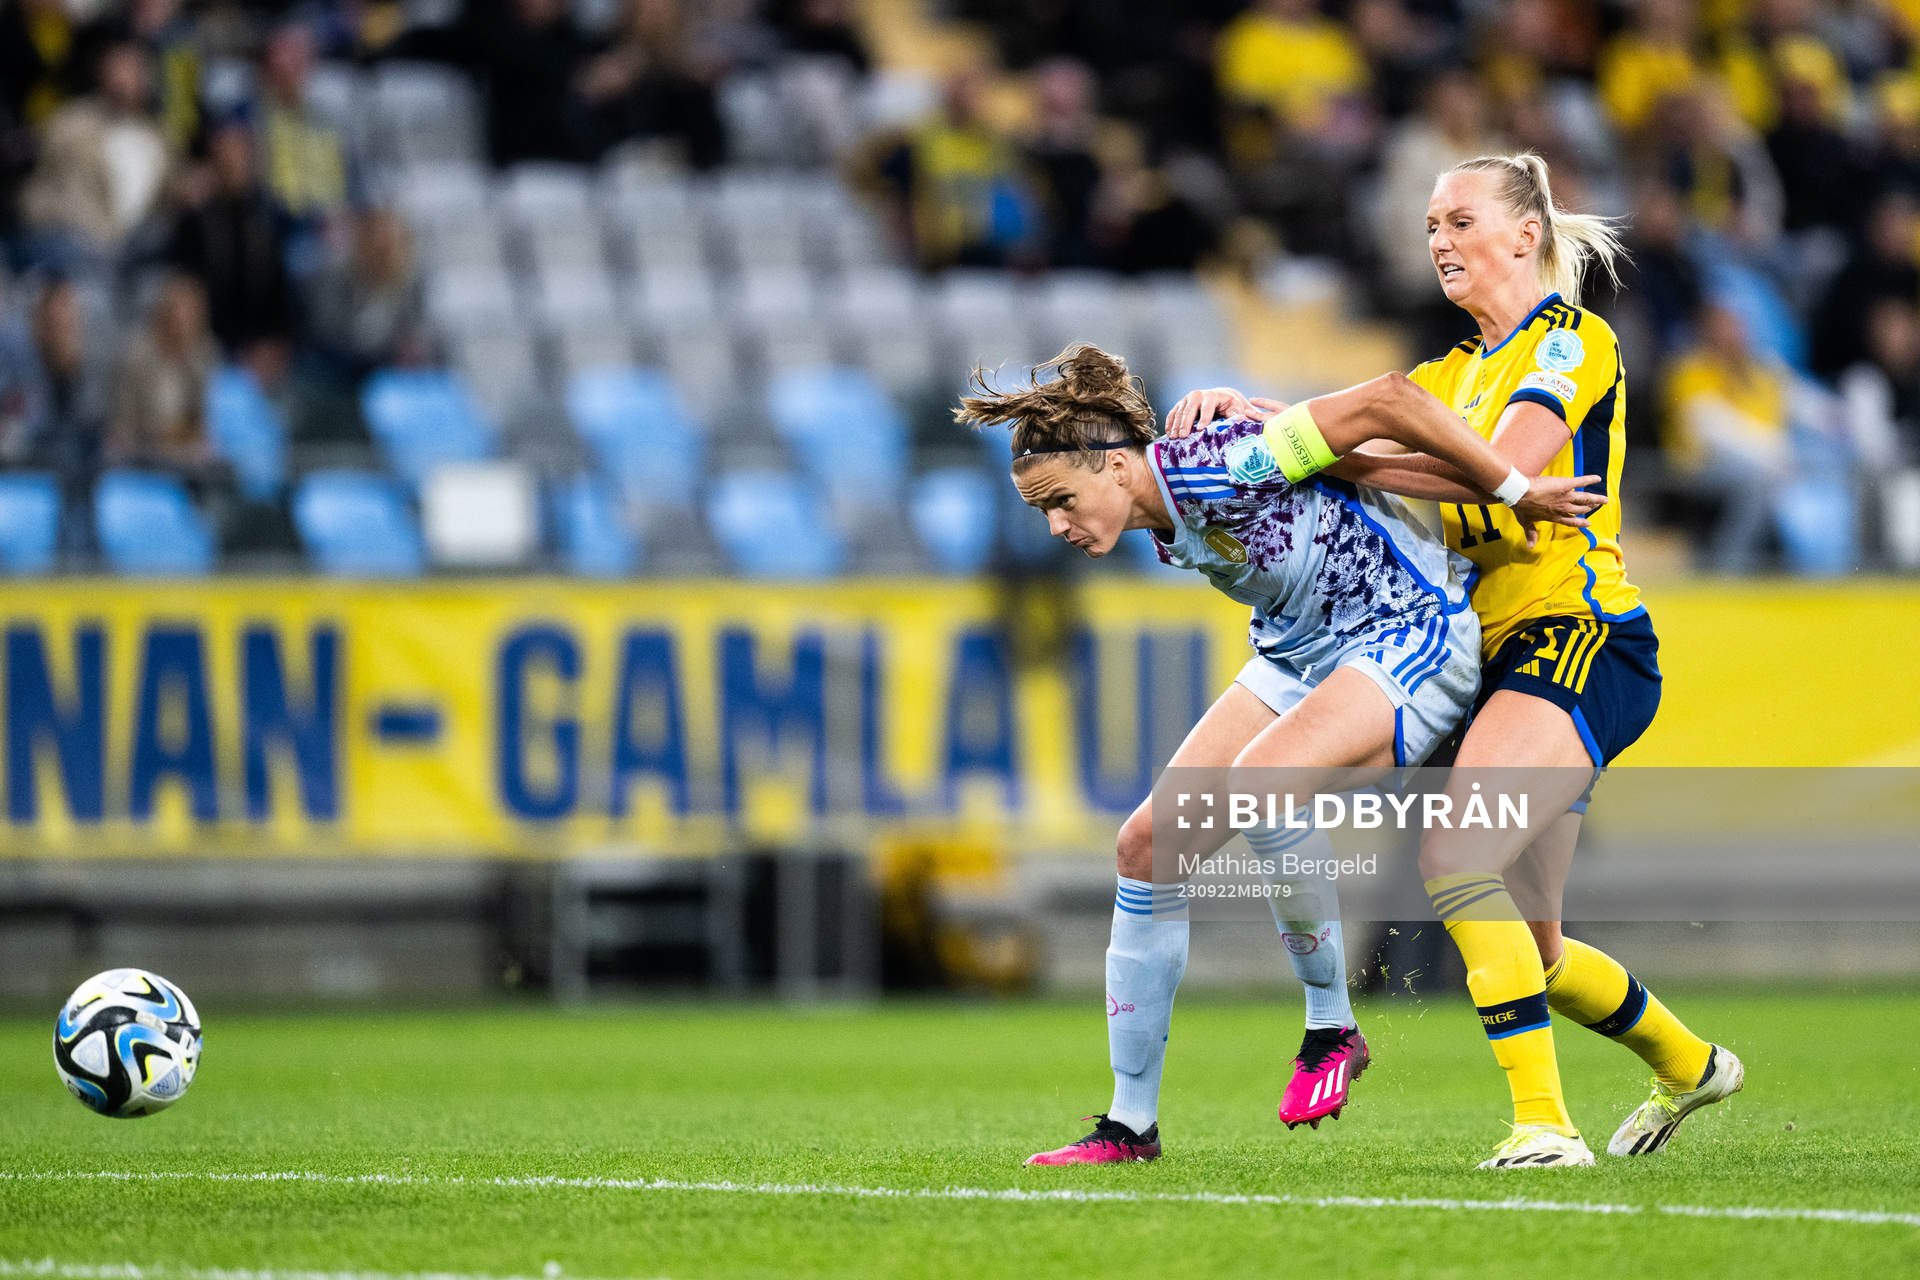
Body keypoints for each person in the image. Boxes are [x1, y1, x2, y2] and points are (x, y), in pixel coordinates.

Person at [1168, 152, 1743, 1169]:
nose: (1440, 240)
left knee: (1453, 855)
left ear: (1527, 233)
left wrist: (1342, 445)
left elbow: (1505, 473)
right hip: (1494, 654)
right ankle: (1692, 1063)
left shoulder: (1571, 340)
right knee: (1541, 947)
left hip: (1578, 633)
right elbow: (1369, 435)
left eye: (1461, 219)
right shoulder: (1443, 375)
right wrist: (1258, 417)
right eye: (1431, 225)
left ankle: (1543, 1126)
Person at [956, 343, 1604, 1166]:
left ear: (1117, 467)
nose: (1056, 525)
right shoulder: (1161, 502)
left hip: (1408, 635)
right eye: (1041, 511)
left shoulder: (1225, 464)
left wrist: (1516, 487)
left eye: (1060, 500)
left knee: (1262, 783)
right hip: (1301, 654)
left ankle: (1331, 1026)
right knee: (1145, 847)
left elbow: (1389, 399)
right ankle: (1129, 1128)